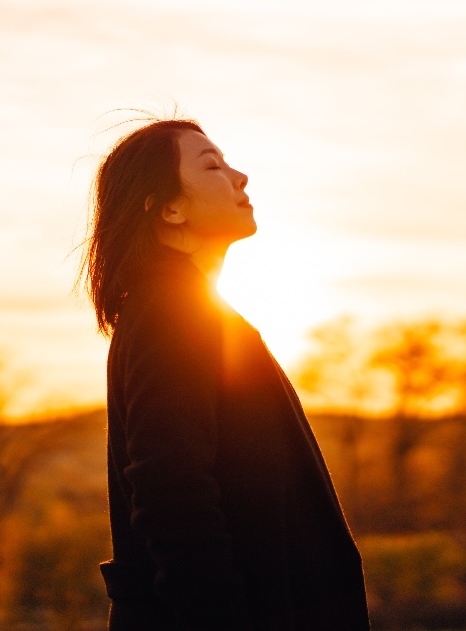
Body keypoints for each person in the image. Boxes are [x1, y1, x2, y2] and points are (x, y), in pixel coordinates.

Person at [82, 118, 370, 630]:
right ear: (169, 208)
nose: (241, 177)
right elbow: (171, 494)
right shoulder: (171, 312)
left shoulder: (188, 310)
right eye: (212, 166)